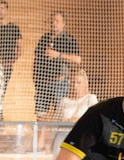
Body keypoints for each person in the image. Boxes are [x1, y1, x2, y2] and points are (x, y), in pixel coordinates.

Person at [33, 10, 81, 152]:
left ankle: (57, 144)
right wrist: (35, 77)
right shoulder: (44, 38)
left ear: (63, 24)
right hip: (42, 82)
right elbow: (36, 59)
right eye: (52, 20)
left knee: (61, 115)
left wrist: (58, 55)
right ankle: (39, 146)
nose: (54, 23)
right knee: (41, 114)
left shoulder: (68, 39)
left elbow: (78, 60)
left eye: (57, 21)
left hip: (59, 82)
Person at [50, 69, 97, 156]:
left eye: (78, 82)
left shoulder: (90, 99)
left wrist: (80, 120)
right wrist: (64, 122)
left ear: (85, 84)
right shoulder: (64, 101)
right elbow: (54, 124)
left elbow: (96, 121)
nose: (75, 85)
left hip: (82, 139)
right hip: (63, 138)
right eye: (72, 82)